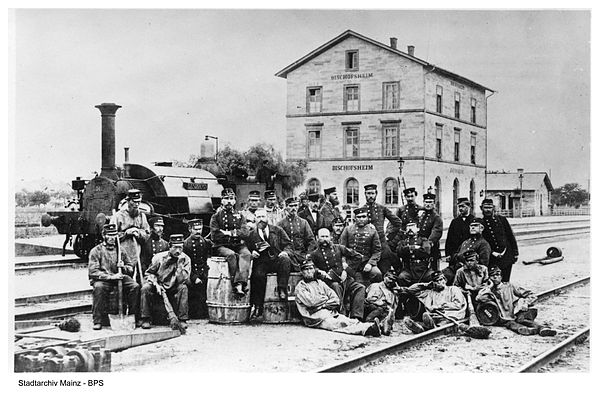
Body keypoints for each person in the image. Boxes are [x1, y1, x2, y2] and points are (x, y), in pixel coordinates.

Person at [295, 259, 382, 337]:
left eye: (311, 269)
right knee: (340, 324)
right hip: (316, 318)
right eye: (306, 269)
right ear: (302, 272)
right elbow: (311, 302)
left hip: (330, 312)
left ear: (314, 270)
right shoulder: (301, 287)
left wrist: (322, 303)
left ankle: (373, 327)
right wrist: (326, 299)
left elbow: (335, 299)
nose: (309, 271)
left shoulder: (320, 283)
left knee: (348, 320)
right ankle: (367, 330)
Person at [476, 267, 557, 336]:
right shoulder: (489, 291)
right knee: (511, 324)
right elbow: (479, 298)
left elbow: (531, 295)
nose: (495, 277)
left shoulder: (509, 286)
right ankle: (528, 331)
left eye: (497, 275)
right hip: (504, 317)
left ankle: (543, 328)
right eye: (492, 276)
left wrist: (525, 303)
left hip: (517, 312)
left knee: (523, 320)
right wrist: (489, 286)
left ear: (501, 277)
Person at [88, 224, 140, 330]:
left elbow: (130, 268)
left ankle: (133, 316)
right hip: (104, 279)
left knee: (134, 286)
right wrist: (110, 277)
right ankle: (97, 320)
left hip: (120, 277)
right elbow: (93, 272)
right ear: (104, 236)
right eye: (109, 235)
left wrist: (123, 267)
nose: (112, 238)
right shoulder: (96, 251)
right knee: (99, 287)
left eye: (114, 235)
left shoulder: (121, 250)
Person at [308, 228, 366, 320]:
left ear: (330, 237)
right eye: (322, 237)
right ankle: (341, 315)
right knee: (335, 286)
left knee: (360, 287)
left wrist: (346, 269)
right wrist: (319, 271)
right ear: (317, 238)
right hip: (328, 282)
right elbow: (310, 268)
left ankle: (357, 316)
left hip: (344, 278)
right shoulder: (314, 254)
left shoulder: (339, 248)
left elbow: (358, 256)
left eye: (326, 236)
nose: (324, 239)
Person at [247, 208, 294, 319]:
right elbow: (245, 247)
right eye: (258, 217)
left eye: (263, 217)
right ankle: (258, 305)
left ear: (267, 218)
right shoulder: (251, 234)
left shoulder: (278, 230)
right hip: (261, 262)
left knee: (285, 261)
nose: (261, 220)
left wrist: (285, 252)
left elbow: (289, 245)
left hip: (276, 259)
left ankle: (282, 289)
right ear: (255, 219)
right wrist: (251, 252)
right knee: (257, 275)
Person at [140, 234, 191, 329]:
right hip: (158, 285)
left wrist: (180, 269)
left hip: (174, 285)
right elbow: (149, 274)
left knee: (183, 288)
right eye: (175, 247)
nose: (178, 251)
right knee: (145, 288)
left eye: (180, 248)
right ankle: (145, 318)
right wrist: (156, 284)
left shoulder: (186, 259)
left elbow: (184, 280)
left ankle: (182, 319)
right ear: (169, 247)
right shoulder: (158, 258)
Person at [210, 188, 252, 297]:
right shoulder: (216, 217)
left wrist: (229, 233)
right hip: (221, 246)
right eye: (226, 198)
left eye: (231, 199)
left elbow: (245, 233)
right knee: (231, 255)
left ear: (235, 201)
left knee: (246, 254)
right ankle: (237, 285)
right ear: (222, 200)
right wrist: (234, 234)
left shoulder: (240, 216)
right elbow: (215, 235)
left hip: (237, 244)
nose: (229, 201)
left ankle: (241, 283)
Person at [402, 271, 467, 333]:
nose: (439, 282)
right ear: (433, 283)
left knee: (442, 323)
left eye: (441, 279)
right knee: (426, 315)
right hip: (435, 316)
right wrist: (427, 285)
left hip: (451, 315)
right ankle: (423, 328)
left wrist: (441, 306)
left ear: (445, 280)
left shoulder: (453, 289)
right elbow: (411, 290)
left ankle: (427, 328)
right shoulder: (431, 292)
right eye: (436, 281)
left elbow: (458, 305)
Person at [361, 184, 402, 274]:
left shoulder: (382, 208)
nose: (370, 196)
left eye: (372, 193)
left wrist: (389, 236)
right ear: (365, 194)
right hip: (368, 247)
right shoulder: (361, 210)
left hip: (382, 246)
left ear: (376, 194)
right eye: (368, 193)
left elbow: (397, 222)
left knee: (385, 271)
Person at [111, 189, 150, 282]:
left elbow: (147, 233)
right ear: (128, 201)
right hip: (123, 253)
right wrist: (126, 233)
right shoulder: (118, 216)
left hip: (138, 253)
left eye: (139, 202)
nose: (137, 205)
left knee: (140, 279)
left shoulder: (141, 216)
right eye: (134, 202)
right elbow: (111, 236)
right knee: (125, 280)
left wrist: (138, 232)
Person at [340, 207, 383, 286]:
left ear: (367, 218)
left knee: (377, 273)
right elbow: (341, 249)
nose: (361, 219)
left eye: (364, 217)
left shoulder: (372, 231)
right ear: (355, 218)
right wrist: (344, 262)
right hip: (351, 262)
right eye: (359, 217)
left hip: (366, 261)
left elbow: (377, 251)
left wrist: (370, 263)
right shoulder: (348, 230)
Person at [480, 199, 519, 281]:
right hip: (492, 257)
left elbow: (510, 236)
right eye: (485, 207)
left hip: (506, 255)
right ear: (481, 208)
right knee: (494, 280)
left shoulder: (502, 220)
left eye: (490, 207)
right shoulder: (480, 223)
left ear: (493, 208)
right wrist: (493, 252)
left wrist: (515, 252)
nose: (488, 210)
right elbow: (482, 241)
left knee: (505, 280)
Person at [443, 218, 491, 285]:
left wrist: (463, 262)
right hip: (456, 268)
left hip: (470, 273)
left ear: (482, 228)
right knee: (439, 277)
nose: (473, 227)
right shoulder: (466, 242)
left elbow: (483, 264)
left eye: (476, 225)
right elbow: (456, 254)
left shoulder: (483, 244)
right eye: (471, 226)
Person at [277, 196, 317, 267]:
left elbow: (311, 240)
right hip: (288, 255)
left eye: (295, 205)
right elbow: (277, 242)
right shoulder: (280, 224)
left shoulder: (303, 222)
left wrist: (309, 253)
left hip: (302, 255)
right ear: (286, 207)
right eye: (291, 206)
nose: (293, 208)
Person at [184, 219, 211, 319]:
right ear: (190, 229)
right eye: (195, 229)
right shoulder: (186, 244)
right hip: (192, 274)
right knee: (193, 295)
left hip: (203, 273)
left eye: (200, 229)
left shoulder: (204, 242)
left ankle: (204, 314)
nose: (198, 231)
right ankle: (193, 315)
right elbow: (185, 265)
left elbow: (205, 260)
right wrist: (194, 277)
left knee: (204, 294)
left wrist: (206, 273)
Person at [396, 222, 435, 286]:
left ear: (418, 229)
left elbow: (426, 252)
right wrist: (414, 248)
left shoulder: (423, 240)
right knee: (402, 277)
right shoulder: (403, 242)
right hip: (409, 270)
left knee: (433, 277)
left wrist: (408, 250)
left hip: (423, 269)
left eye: (412, 226)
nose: (410, 229)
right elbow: (399, 252)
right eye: (408, 227)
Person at [364, 271, 400, 335]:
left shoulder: (392, 292)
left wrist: (396, 292)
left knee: (385, 313)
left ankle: (382, 326)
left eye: (394, 280)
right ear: (384, 277)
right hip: (370, 307)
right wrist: (382, 304)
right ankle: (375, 325)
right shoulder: (375, 285)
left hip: (382, 311)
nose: (391, 281)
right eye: (390, 278)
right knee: (380, 310)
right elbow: (370, 300)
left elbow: (393, 308)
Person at [416, 192, 443, 270]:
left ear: (434, 203)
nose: (428, 204)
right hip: (419, 244)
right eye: (426, 202)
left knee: (432, 268)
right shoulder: (421, 215)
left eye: (430, 202)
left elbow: (436, 232)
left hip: (431, 246)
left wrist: (428, 243)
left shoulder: (436, 217)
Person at [444, 197, 475, 265]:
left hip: (469, 254)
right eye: (459, 206)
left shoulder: (474, 220)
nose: (460, 209)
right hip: (455, 255)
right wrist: (448, 254)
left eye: (463, 206)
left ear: (469, 207)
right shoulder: (455, 221)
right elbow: (449, 238)